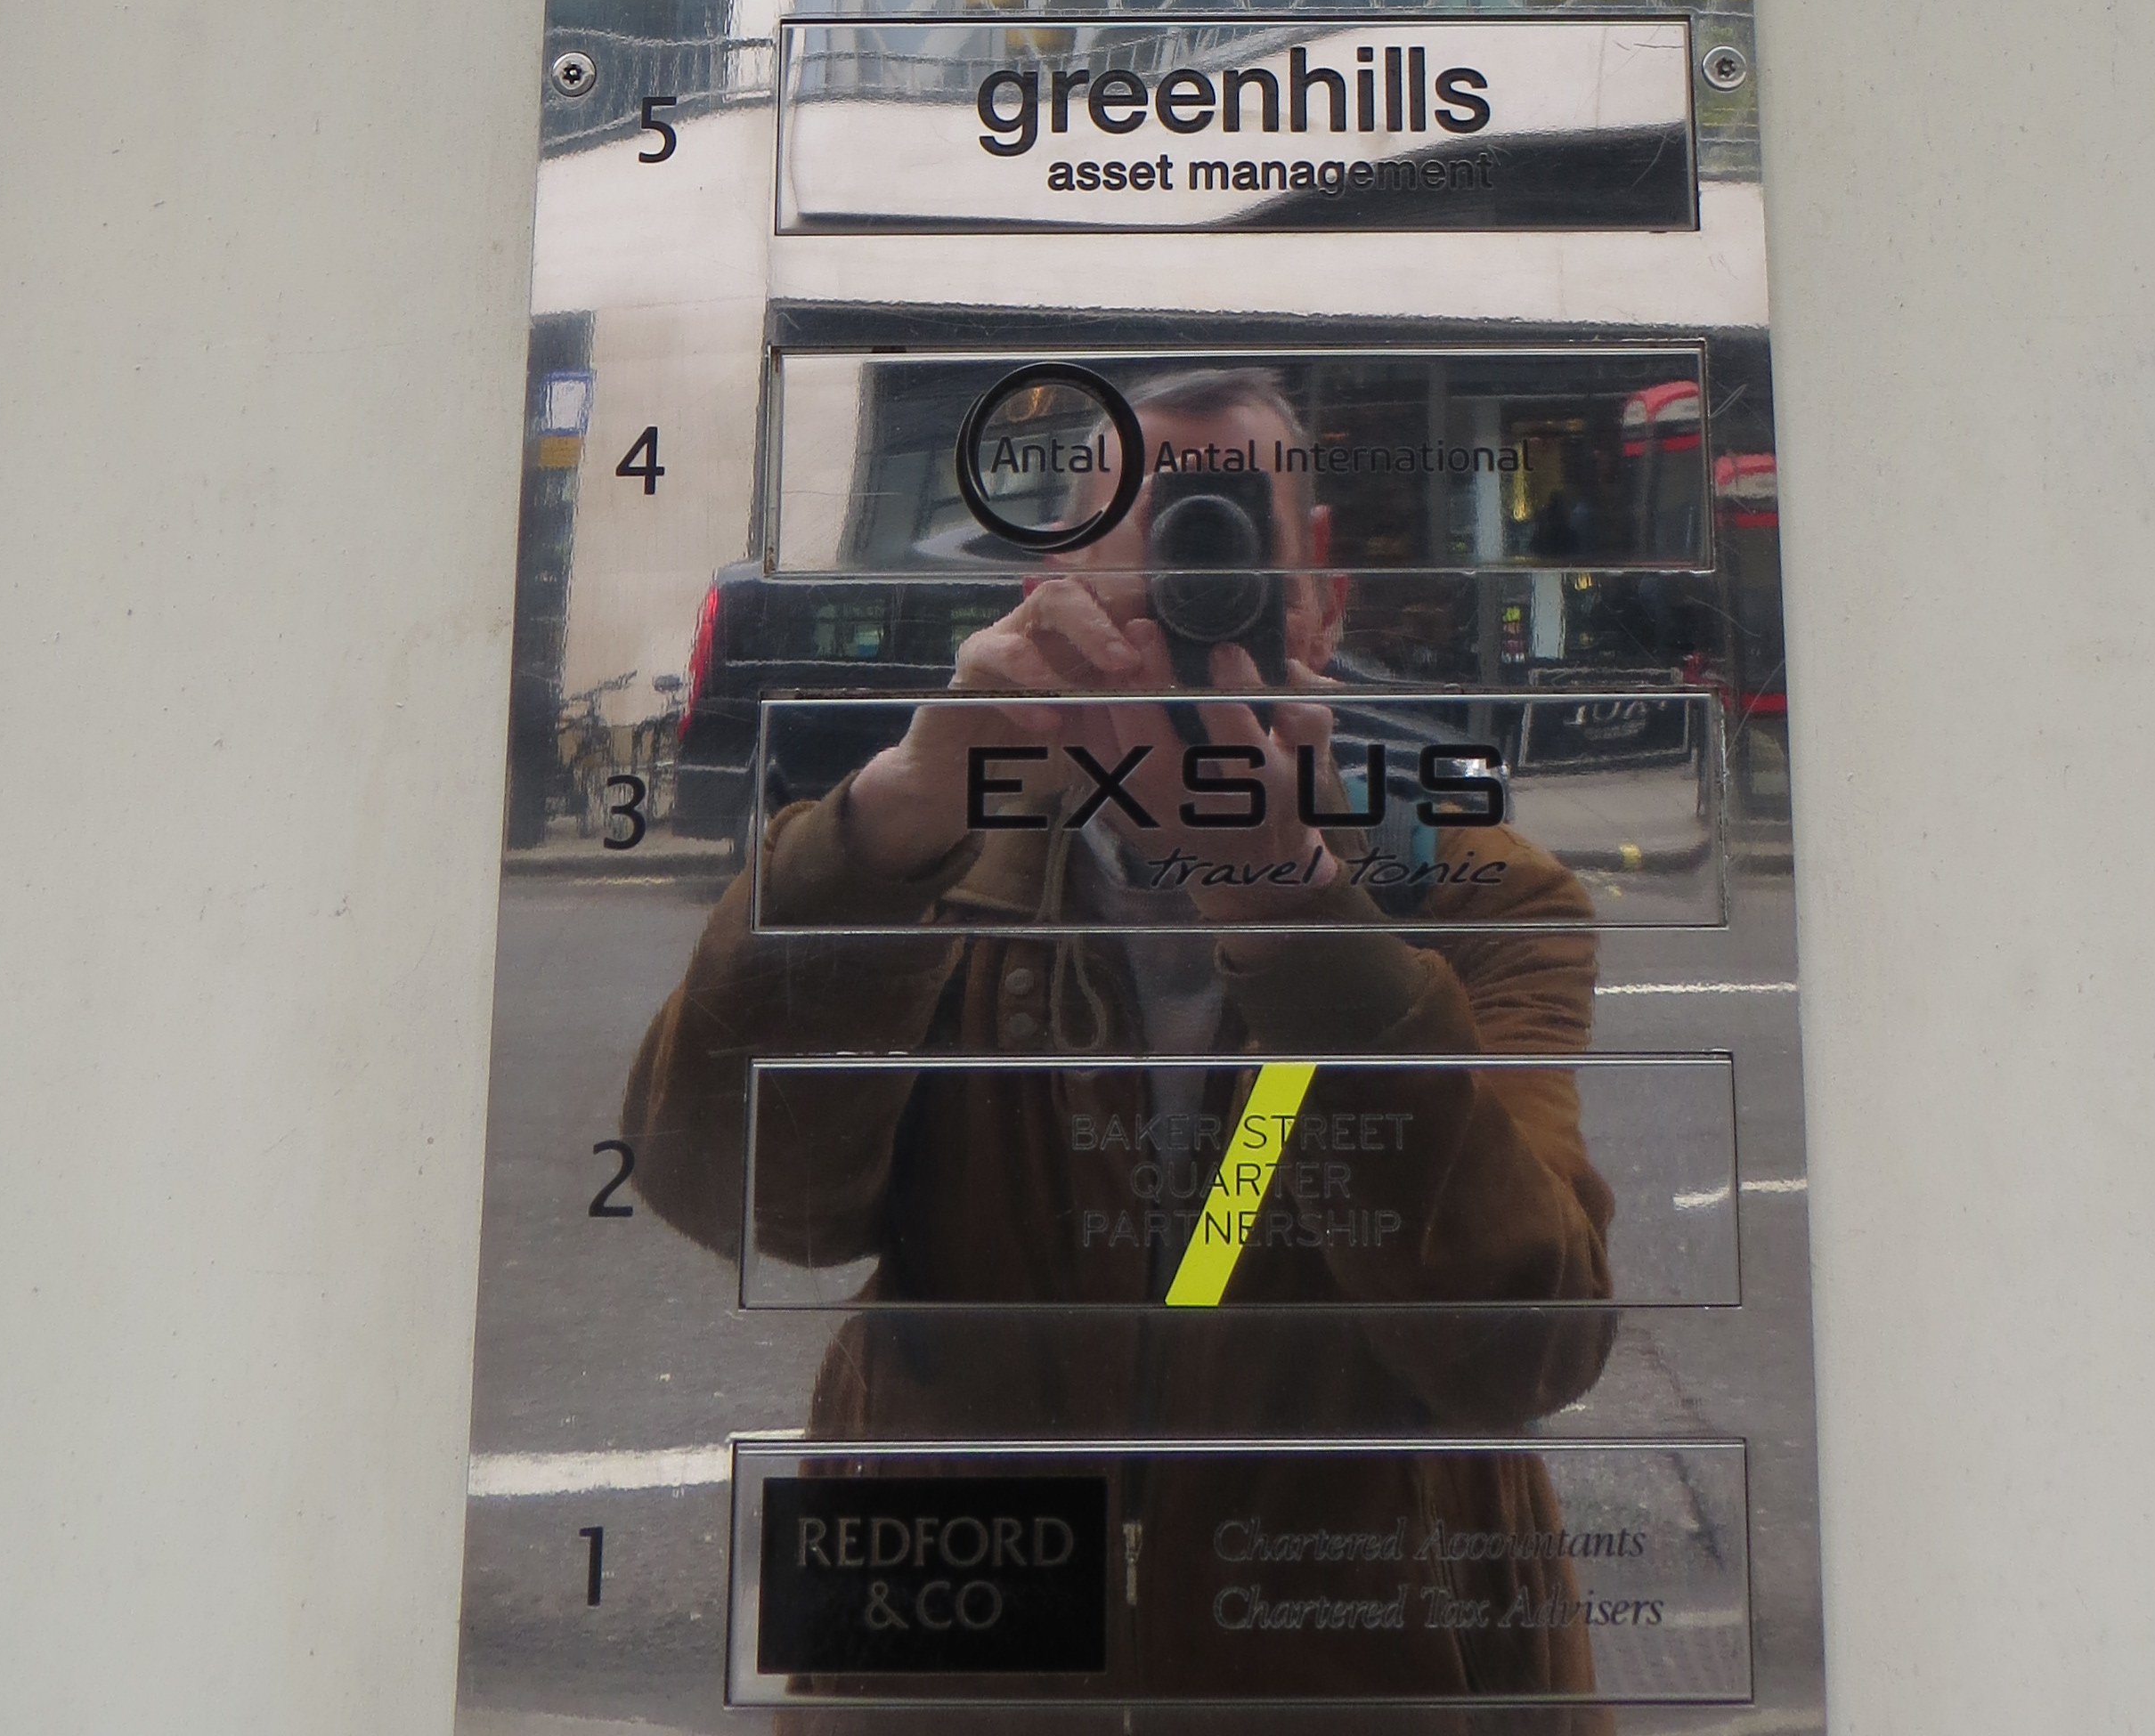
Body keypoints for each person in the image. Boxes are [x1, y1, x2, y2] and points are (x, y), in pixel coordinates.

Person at [623, 364, 1614, 1703]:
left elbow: (1523, 1344)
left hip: (1351, 1649)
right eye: (1155, 552)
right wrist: (895, 816)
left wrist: (1296, 914)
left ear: (1322, 593)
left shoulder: (1476, 895)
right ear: (1055, 587)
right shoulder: (936, 862)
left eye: (1235, 547)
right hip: (959, 1640)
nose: (1196, 601)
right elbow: (738, 1200)